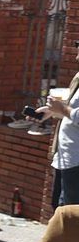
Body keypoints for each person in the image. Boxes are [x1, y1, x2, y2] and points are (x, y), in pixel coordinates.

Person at [41, 60, 78, 207]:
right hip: (66, 158)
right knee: (59, 209)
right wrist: (51, 111)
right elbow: (72, 112)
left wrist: (62, 110)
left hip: (76, 162)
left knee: (71, 216)